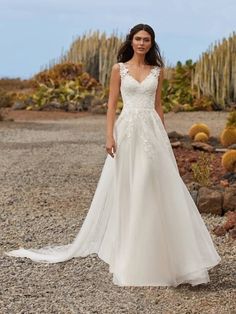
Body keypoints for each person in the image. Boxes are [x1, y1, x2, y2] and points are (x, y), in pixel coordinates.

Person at [5, 23, 221, 287]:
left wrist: (164, 137)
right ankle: (132, 254)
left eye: (146, 39)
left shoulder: (157, 71)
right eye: (138, 39)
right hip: (127, 132)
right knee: (131, 188)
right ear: (131, 41)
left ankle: (164, 254)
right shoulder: (119, 69)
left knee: (153, 187)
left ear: (152, 44)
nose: (142, 43)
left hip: (151, 134)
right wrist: (109, 136)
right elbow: (110, 105)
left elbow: (158, 105)